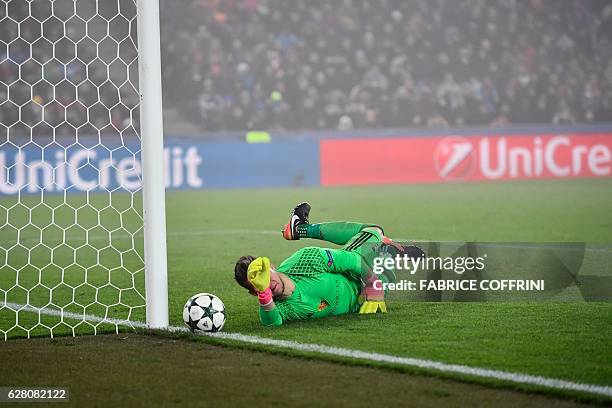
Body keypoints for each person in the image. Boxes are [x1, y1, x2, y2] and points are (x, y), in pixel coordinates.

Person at [233, 203, 423, 327]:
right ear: (255, 292)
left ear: (272, 266)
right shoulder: (279, 307)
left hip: (355, 274)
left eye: (266, 274)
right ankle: (388, 251)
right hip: (358, 303)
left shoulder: (305, 260)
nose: (268, 283)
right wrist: (264, 295)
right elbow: (272, 323)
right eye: (259, 284)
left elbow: (352, 261)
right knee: (389, 276)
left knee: (373, 232)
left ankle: (301, 228)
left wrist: (373, 285)